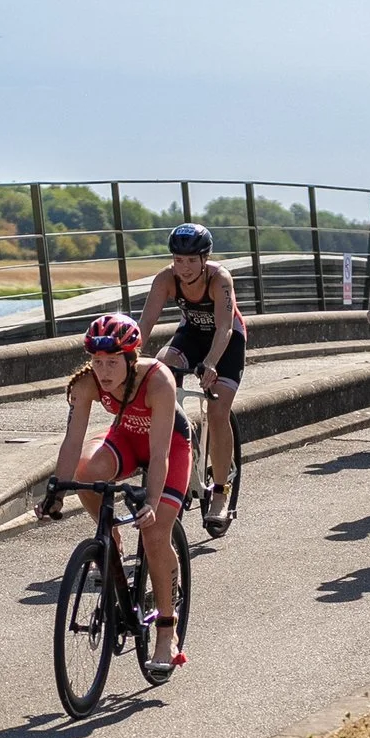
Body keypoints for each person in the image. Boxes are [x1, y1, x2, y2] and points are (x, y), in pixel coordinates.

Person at [41, 313, 189, 682]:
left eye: (112, 363)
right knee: (85, 473)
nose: (104, 371)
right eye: (98, 362)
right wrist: (56, 491)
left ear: (131, 358)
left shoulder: (158, 381)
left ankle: (166, 633)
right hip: (124, 438)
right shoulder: (87, 383)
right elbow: (73, 442)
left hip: (167, 447)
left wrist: (152, 503)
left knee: (155, 536)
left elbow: (160, 456)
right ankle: (113, 544)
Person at [136, 222, 245, 525]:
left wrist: (210, 363)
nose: (183, 268)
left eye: (191, 260)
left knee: (217, 410)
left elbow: (224, 328)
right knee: (161, 364)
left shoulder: (219, 279)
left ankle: (221, 494)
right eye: (178, 260)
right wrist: (129, 358)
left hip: (226, 341)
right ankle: (183, 444)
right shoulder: (166, 279)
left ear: (204, 259)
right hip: (192, 335)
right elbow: (144, 325)